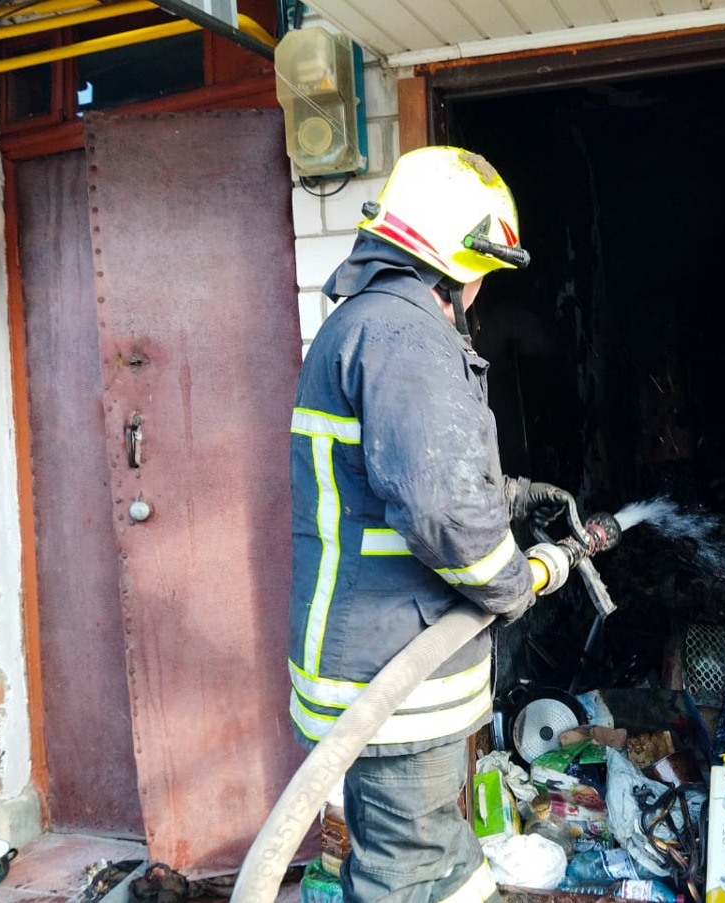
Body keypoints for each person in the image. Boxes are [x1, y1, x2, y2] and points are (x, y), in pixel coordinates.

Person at [288, 146, 580, 903]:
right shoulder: (405, 335)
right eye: (484, 266)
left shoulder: (368, 323)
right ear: (454, 254)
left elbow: (402, 473)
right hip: (392, 671)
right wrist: (517, 581)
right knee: (404, 875)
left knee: (443, 855)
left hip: (381, 657)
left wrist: (510, 492)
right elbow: (440, 506)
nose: (484, 288)